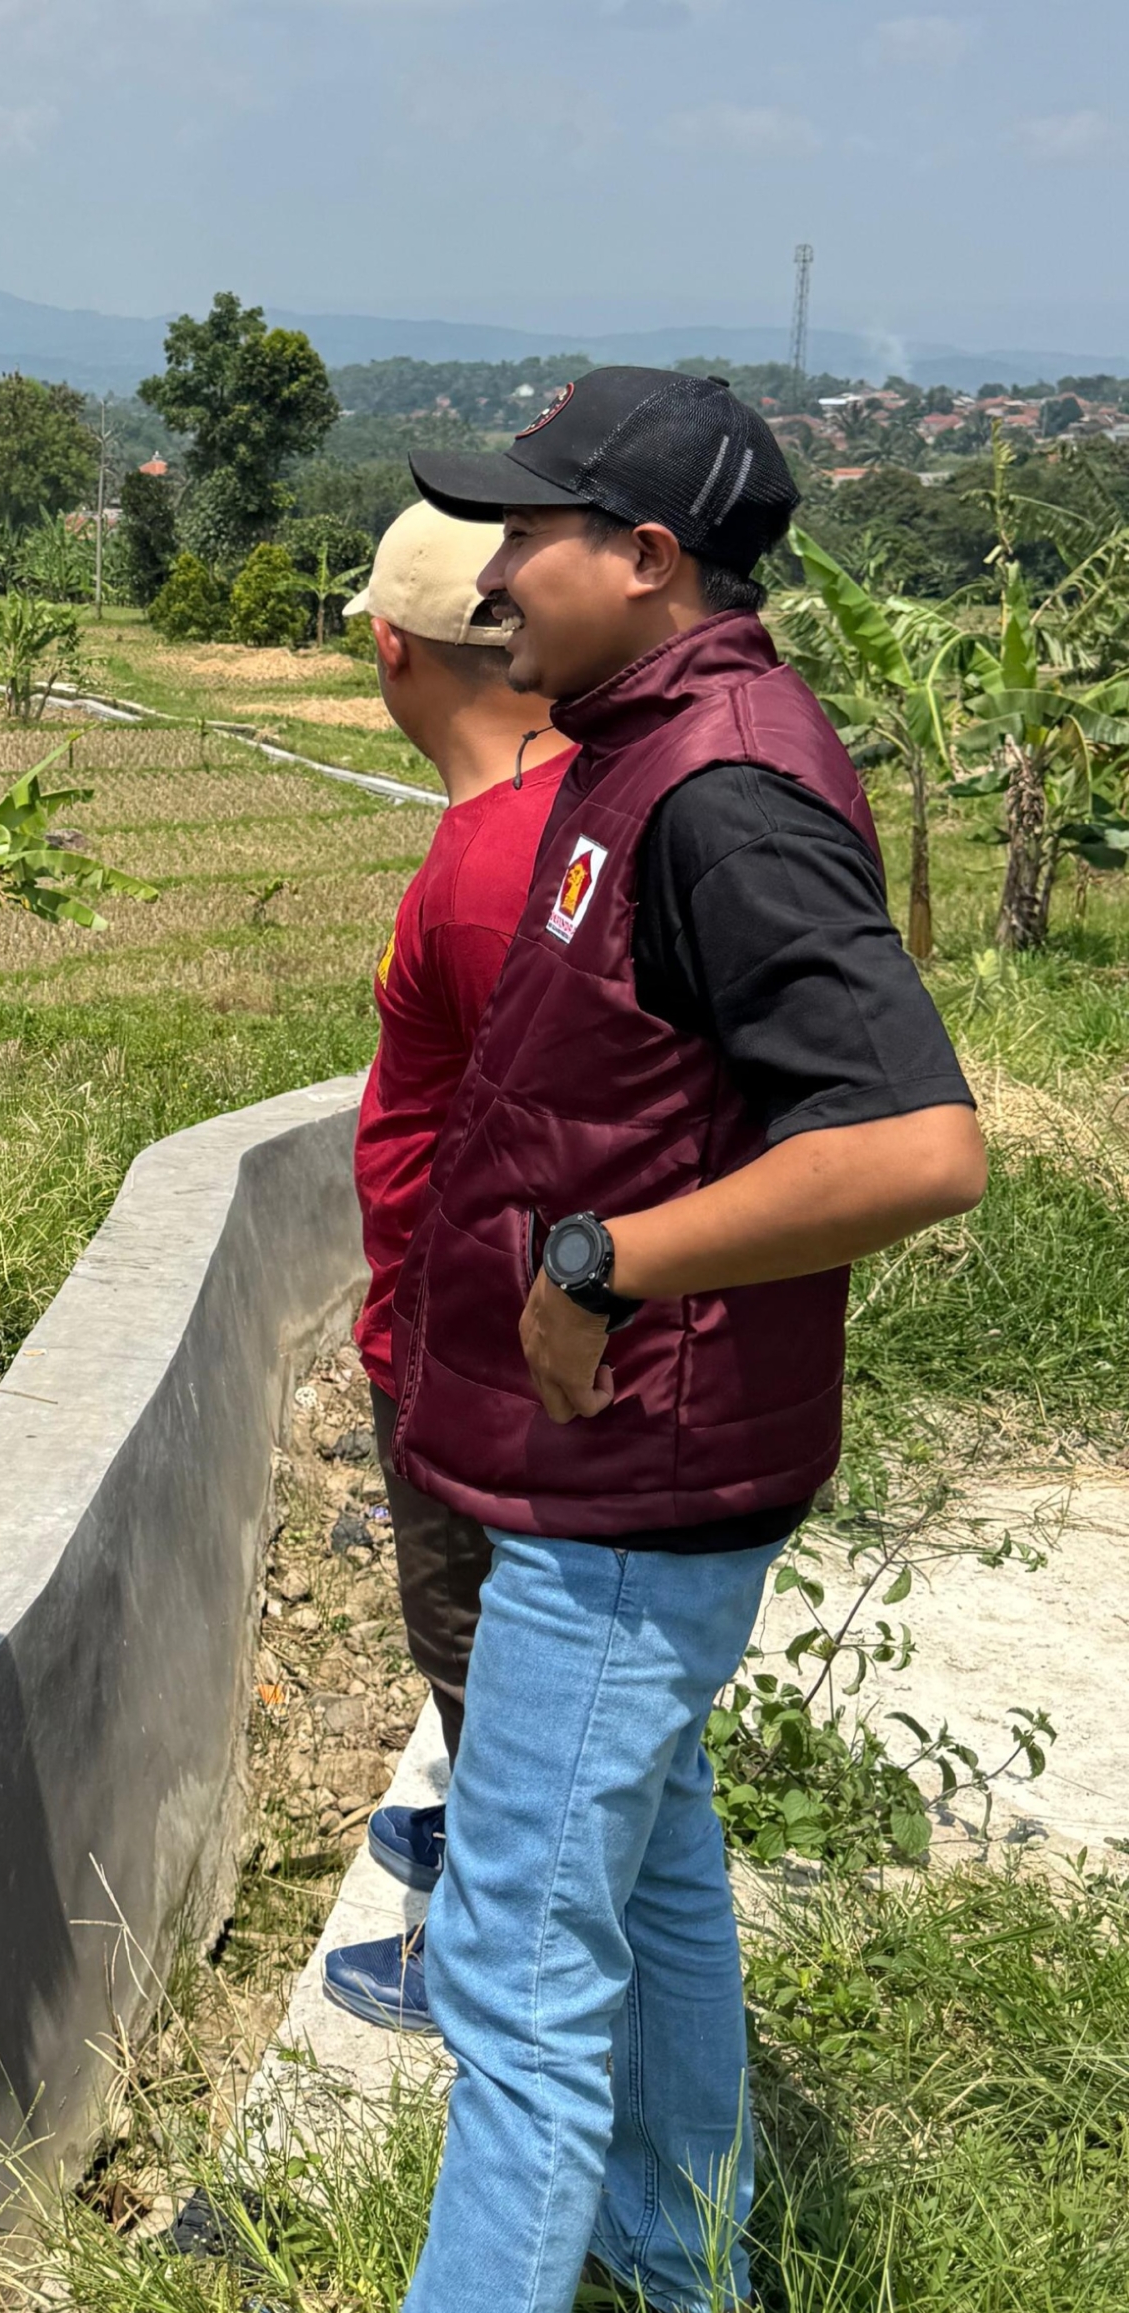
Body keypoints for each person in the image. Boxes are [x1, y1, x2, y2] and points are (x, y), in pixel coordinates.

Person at [382, 369, 986, 2313]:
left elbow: (912, 1139)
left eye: (529, 530)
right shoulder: (639, 749)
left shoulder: (719, 788)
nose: (495, 570)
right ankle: (677, 2263)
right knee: (645, 1890)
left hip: (626, 1477)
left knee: (513, 1975)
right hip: (623, 1465)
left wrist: (597, 1260)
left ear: (643, 559)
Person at [317, 501, 574, 2038]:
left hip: (465, 1340)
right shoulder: (569, 811)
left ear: (391, 648)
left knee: (478, 1644)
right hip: (493, 1325)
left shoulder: (490, 870)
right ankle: (486, 1845)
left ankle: (481, 1937)